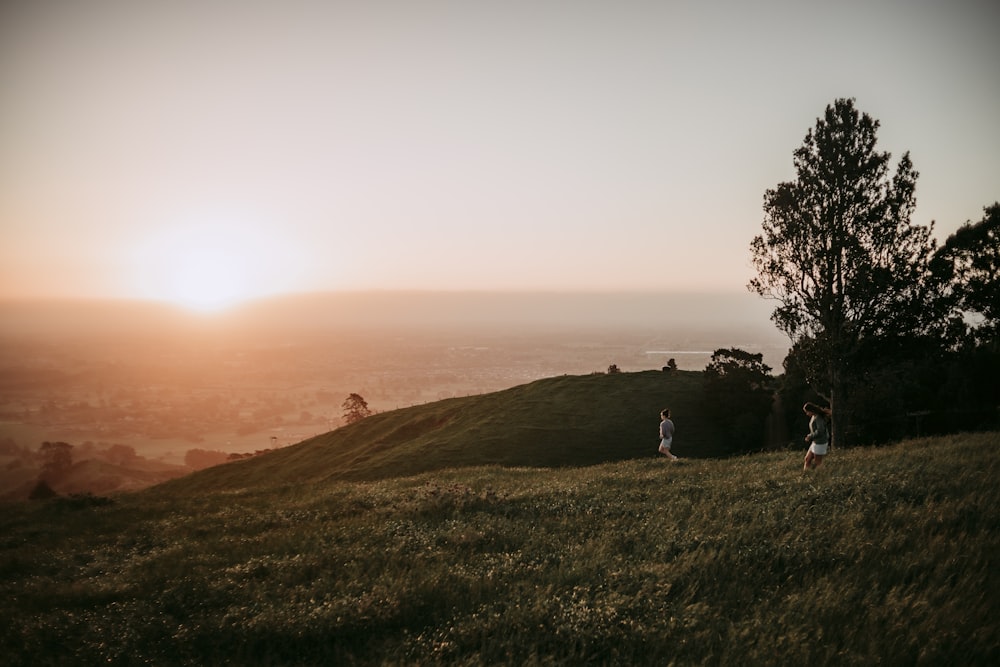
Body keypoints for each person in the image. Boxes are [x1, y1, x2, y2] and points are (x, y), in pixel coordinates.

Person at [802, 402, 831, 471]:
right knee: (807, 459)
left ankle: (824, 474)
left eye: (807, 412)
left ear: (811, 410)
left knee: (818, 462)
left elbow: (820, 430)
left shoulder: (818, 418)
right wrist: (810, 436)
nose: (807, 414)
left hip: (820, 442)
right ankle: (806, 475)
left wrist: (810, 436)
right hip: (815, 442)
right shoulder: (813, 416)